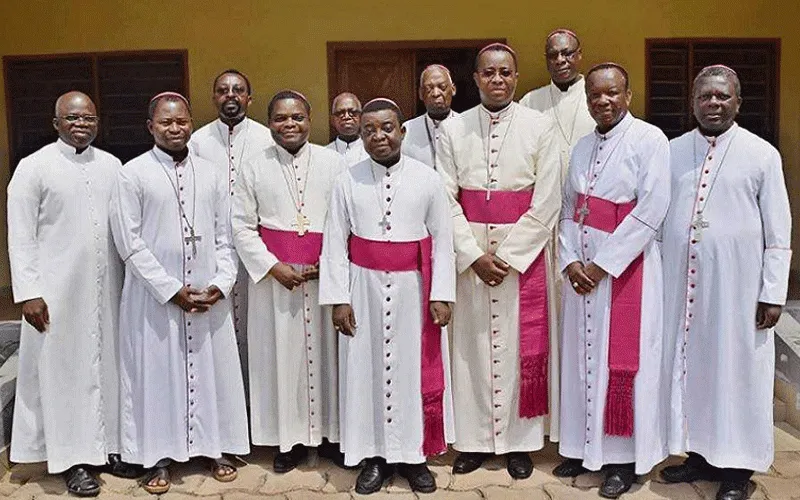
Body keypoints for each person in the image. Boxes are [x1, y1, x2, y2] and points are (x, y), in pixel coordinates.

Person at [660, 65, 792, 500]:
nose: (713, 104)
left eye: (722, 97)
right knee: (693, 371)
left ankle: (739, 468)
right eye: (705, 97)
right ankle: (698, 454)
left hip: (739, 290)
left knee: (738, 374)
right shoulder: (673, 151)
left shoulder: (761, 154)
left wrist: (772, 292)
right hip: (685, 288)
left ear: (738, 102)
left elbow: (779, 231)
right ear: (692, 103)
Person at [110, 92, 249, 494]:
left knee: (213, 375)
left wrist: (221, 284)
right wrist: (171, 290)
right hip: (155, 300)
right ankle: (158, 457)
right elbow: (129, 244)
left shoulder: (211, 174)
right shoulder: (132, 174)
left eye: (182, 122)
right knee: (157, 378)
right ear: (150, 126)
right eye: (166, 123)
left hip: (207, 297)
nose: (176, 129)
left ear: (191, 123)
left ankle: (215, 447)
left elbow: (226, 238)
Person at [437, 43, 561, 479]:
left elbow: (547, 199)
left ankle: (519, 444)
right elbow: (444, 198)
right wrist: (472, 255)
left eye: (505, 73)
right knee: (469, 350)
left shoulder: (539, 126)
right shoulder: (453, 130)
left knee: (517, 349)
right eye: (488, 73)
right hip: (469, 255)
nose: (497, 80)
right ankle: (472, 442)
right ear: (475, 78)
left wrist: (506, 256)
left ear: (515, 76)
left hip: (519, 259)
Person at [319, 98, 456, 494]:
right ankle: (375, 457)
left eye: (386, 128)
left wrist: (441, 294)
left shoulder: (427, 178)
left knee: (412, 370)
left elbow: (443, 242)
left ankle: (415, 458)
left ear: (402, 131)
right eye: (369, 131)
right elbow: (334, 243)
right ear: (360, 136)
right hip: (363, 288)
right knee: (366, 371)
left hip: (415, 290)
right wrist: (339, 299)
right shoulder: (347, 180)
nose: (378, 136)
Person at [8, 91, 140, 497]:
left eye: (88, 117)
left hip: (109, 288)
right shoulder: (34, 168)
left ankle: (111, 449)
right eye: (72, 117)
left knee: (111, 369)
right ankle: (72, 460)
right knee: (64, 375)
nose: (81, 123)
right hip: (56, 294)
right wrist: (29, 292)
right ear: (56, 123)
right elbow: (21, 236)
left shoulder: (113, 166)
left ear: (98, 122)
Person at [556, 63, 670, 499]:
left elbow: (650, 210)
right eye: (594, 96)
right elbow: (570, 207)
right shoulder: (583, 145)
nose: (602, 102)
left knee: (621, 363)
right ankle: (586, 449)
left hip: (627, 271)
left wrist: (602, 265)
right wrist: (569, 261)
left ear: (628, 94)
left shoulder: (649, 139)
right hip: (581, 270)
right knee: (583, 359)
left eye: (611, 94)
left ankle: (623, 459)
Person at [231, 90, 347, 472]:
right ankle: (290, 439)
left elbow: (345, 221)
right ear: (269, 124)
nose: (289, 124)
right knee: (281, 358)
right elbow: (242, 226)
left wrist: (326, 263)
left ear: (309, 119)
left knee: (328, 356)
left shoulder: (332, 162)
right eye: (281, 118)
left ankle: (331, 435)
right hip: (274, 280)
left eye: (296, 117)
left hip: (322, 274)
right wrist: (272, 266)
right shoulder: (253, 165)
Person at [190, 69, 274, 390]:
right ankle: (224, 394)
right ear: (214, 98)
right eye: (223, 90)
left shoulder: (266, 139)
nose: (230, 95)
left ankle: (256, 397)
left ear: (249, 99)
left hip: (256, 246)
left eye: (238, 90)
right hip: (215, 248)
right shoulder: (197, 141)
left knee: (257, 324)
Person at [519, 29, 595, 182]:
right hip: (545, 193)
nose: (560, 60)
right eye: (553, 56)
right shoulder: (530, 101)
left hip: (589, 190)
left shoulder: (596, 96)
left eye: (567, 53)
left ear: (579, 54)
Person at [401, 64, 458, 169]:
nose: (436, 93)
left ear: (453, 89)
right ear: (421, 94)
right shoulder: (408, 130)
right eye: (429, 88)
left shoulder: (467, 126)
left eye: (442, 87)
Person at [326, 92, 367, 165]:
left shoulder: (371, 151)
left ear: (361, 117)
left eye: (352, 112)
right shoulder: (324, 153)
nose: (347, 116)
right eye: (340, 113)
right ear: (332, 120)